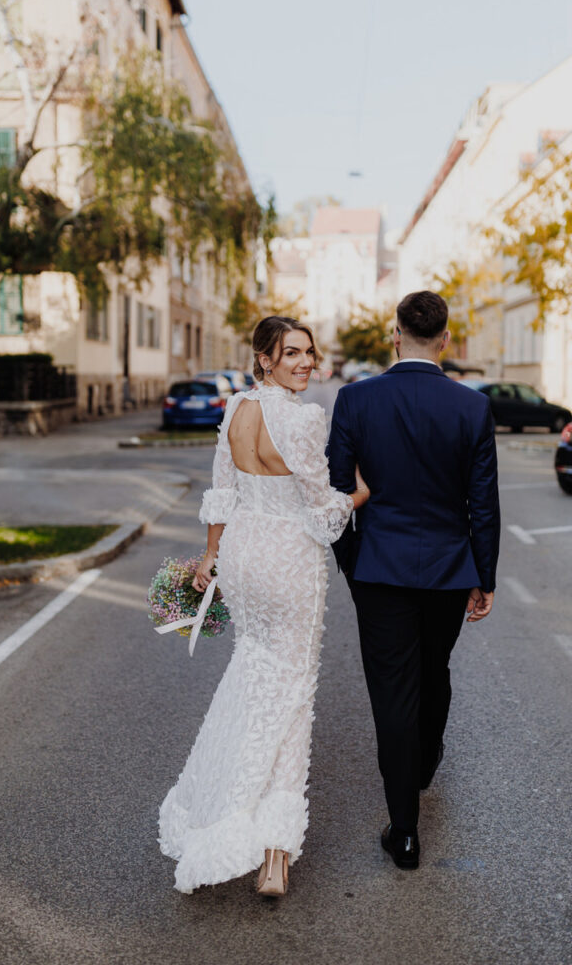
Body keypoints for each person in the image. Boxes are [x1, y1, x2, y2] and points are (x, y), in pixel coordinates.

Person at [158, 316, 369, 896]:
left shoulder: (234, 411)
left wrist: (210, 558)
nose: (306, 362)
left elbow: (222, 492)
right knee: (294, 695)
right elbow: (322, 513)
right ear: (265, 359)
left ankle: (217, 809)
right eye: (292, 353)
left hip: (243, 557)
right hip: (288, 560)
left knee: (252, 676)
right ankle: (274, 854)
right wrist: (360, 494)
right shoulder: (302, 418)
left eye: (309, 351)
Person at [327, 290, 500, 870]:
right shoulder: (472, 407)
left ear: (394, 334)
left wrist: (351, 561)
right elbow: (484, 503)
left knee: (392, 691)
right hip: (451, 572)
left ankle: (404, 831)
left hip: (378, 569)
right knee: (434, 670)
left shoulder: (354, 400)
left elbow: (335, 495)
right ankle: (424, 762)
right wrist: (485, 574)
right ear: (446, 340)